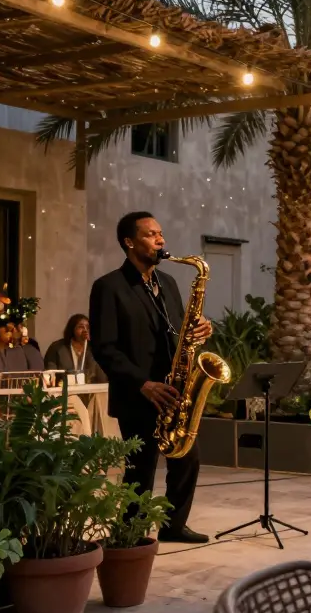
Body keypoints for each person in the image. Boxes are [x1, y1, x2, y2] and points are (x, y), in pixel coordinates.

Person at [89, 211, 213, 544]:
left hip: (174, 391)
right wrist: (143, 383)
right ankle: (132, 534)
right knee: (140, 470)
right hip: (138, 394)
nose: (160, 240)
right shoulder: (108, 287)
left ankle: (173, 526)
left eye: (161, 233)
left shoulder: (169, 284)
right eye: (151, 234)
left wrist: (200, 329)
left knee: (188, 458)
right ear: (129, 242)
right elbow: (105, 348)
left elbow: (179, 332)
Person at [45, 314, 106, 383]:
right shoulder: (57, 347)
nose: (85, 330)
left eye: (88, 327)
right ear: (72, 329)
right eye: (81, 327)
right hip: (64, 390)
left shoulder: (94, 349)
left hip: (90, 391)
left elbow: (102, 377)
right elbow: (50, 373)